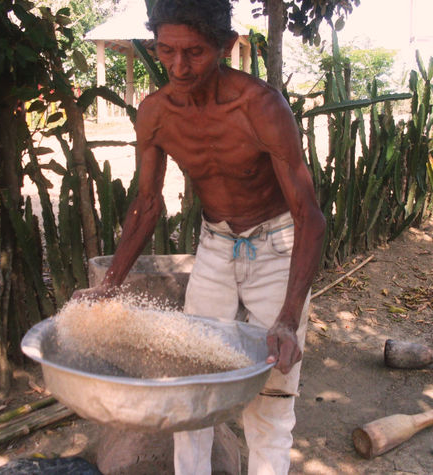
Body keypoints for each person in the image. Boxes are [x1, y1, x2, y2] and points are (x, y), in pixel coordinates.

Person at [76, 0, 326, 473]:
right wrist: (107, 287)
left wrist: (289, 319)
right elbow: (147, 204)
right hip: (215, 246)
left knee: (271, 399)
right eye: (165, 50)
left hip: (277, 247)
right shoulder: (155, 113)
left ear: (224, 47)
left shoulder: (260, 106)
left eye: (193, 52)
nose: (178, 65)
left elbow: (309, 215)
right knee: (189, 394)